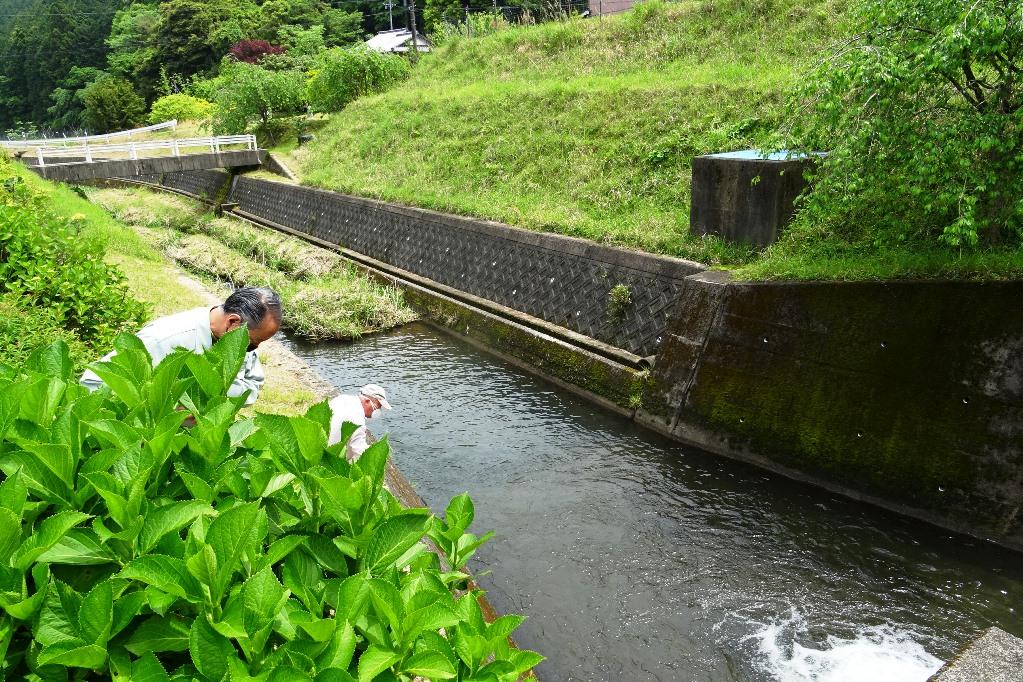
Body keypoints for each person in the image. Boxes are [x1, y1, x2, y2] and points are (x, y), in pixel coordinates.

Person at [80, 287, 282, 406]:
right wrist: (165, 409)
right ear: (233, 322)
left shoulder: (236, 337)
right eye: (251, 345)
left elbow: (252, 385)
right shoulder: (166, 338)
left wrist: (212, 396)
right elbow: (91, 383)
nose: (251, 351)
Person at [327, 384, 392, 461]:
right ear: (367, 401)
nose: (378, 410)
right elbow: (358, 451)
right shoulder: (357, 419)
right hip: (330, 455)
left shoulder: (341, 399)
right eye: (378, 406)